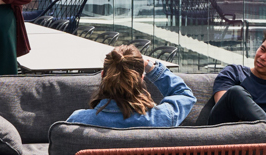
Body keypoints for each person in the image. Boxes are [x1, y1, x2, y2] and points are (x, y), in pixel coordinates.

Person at [63, 46, 195, 129]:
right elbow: (185, 94)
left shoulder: (78, 122)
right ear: (141, 78)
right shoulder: (162, 118)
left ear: (103, 76)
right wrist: (151, 68)